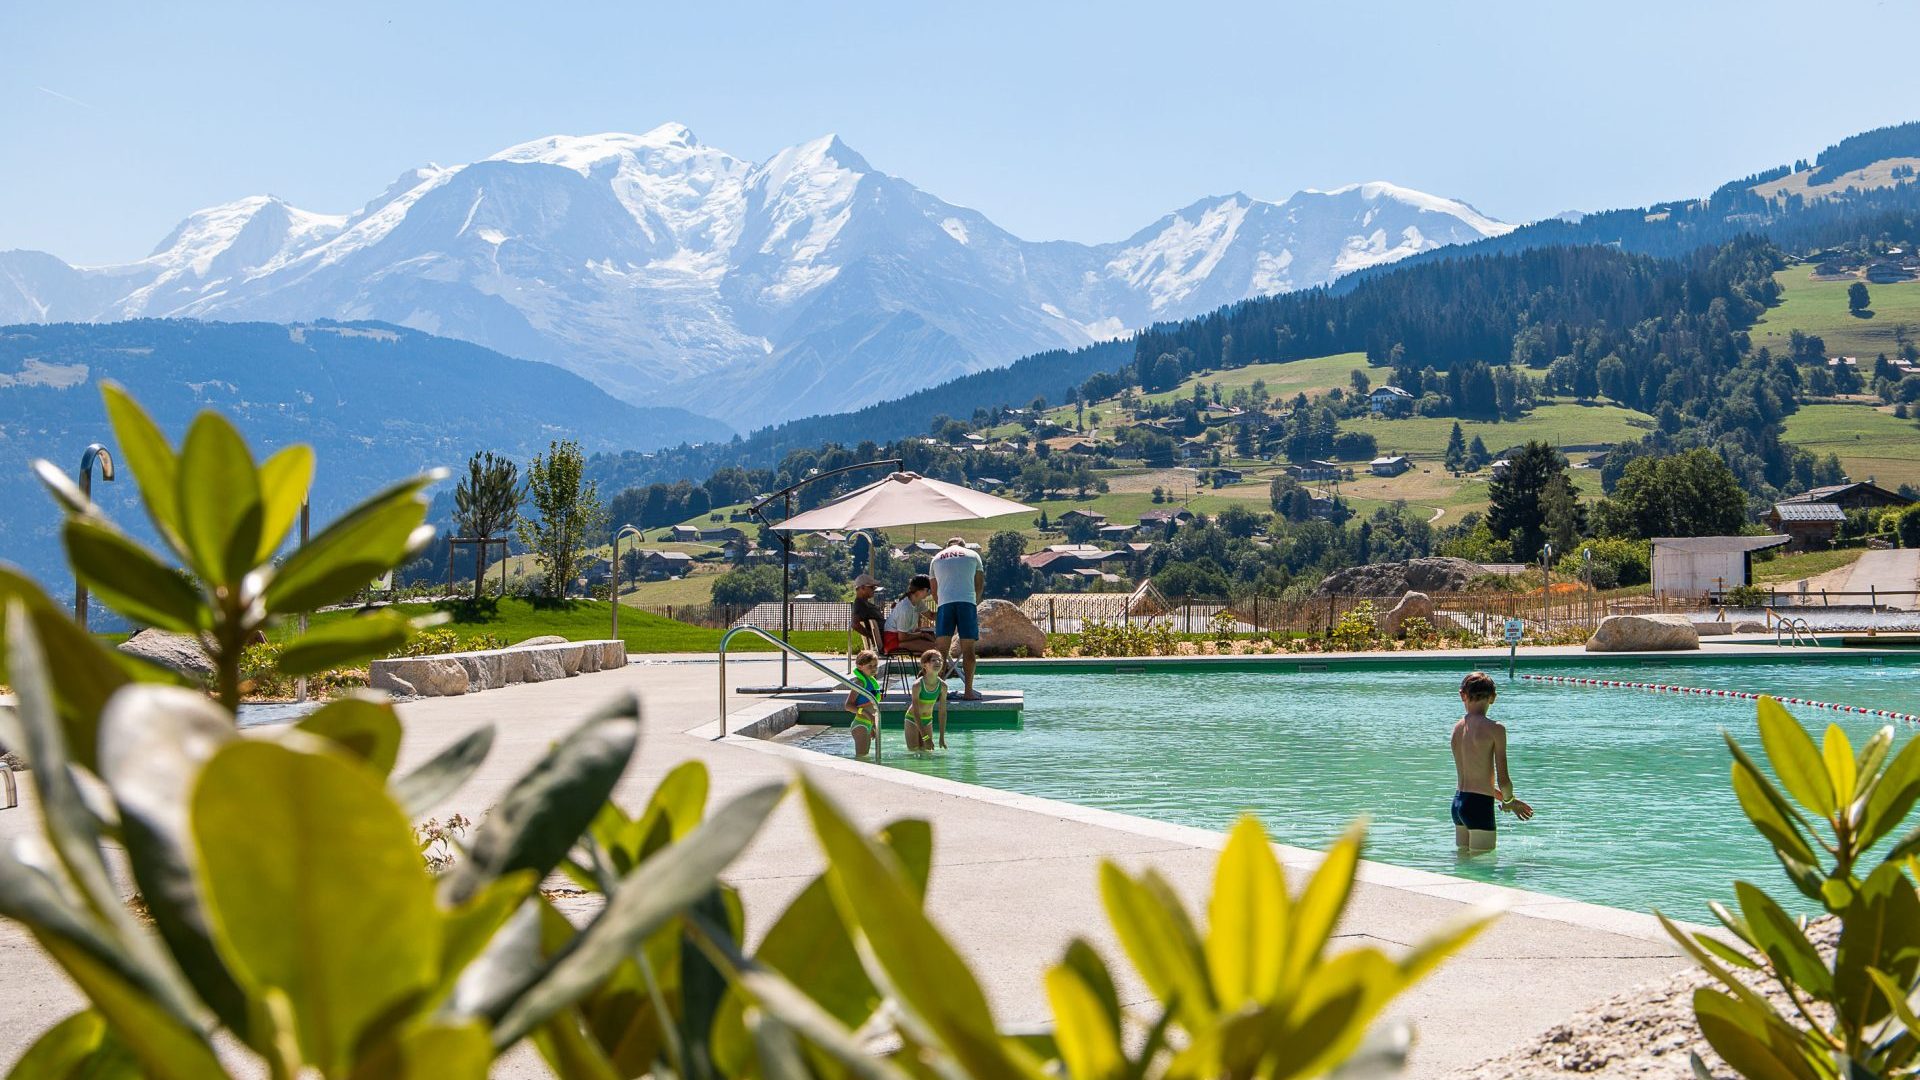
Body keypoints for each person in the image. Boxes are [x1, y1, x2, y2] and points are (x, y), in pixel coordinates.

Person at [1449, 671, 1534, 852]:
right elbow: (1503, 779)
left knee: (1463, 865)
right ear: (1493, 698)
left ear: (1462, 695)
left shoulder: (1457, 728)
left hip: (1458, 804)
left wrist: (1511, 800)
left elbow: (1476, 782)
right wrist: (1508, 800)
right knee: (1483, 868)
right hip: (1479, 806)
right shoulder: (1495, 729)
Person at [930, 536, 986, 700]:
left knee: (941, 651)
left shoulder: (936, 558)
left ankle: (937, 692)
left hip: (945, 604)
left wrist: (941, 604)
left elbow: (934, 589)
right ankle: (968, 691)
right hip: (967, 603)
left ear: (947, 546)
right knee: (968, 650)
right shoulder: (973, 555)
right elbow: (979, 584)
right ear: (963, 545)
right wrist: (973, 602)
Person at [903, 648, 948, 751]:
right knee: (914, 752)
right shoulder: (918, 685)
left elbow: (942, 713)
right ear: (924, 665)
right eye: (933, 660)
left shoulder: (943, 686)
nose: (938, 662)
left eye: (940, 660)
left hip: (928, 720)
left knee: (927, 752)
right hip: (913, 719)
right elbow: (916, 712)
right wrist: (925, 737)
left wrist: (941, 737)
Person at [883, 574, 939, 655]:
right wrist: (921, 635)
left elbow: (931, 616)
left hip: (900, 639)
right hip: (894, 642)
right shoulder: (905, 608)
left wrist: (948, 611)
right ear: (920, 590)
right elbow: (902, 637)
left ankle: (936, 666)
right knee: (935, 648)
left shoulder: (917, 602)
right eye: (928, 590)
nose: (930, 593)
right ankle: (938, 667)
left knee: (937, 645)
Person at [846, 649, 882, 758]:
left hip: (868, 724)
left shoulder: (870, 681)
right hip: (860, 724)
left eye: (875, 666)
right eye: (870, 666)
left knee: (865, 756)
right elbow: (848, 705)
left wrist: (872, 727)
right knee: (861, 757)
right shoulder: (860, 683)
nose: (873, 669)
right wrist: (866, 713)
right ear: (860, 666)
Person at [850, 573, 886, 655]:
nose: (874, 589)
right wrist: (871, 636)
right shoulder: (860, 604)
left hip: (889, 635)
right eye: (872, 587)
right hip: (889, 638)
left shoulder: (864, 603)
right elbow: (854, 624)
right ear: (862, 588)